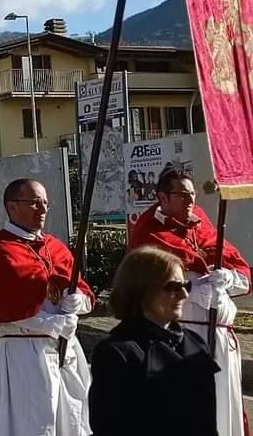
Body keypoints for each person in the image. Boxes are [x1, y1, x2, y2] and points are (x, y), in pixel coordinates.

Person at [0, 178, 94, 436]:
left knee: (73, 417)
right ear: (12, 207)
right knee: (34, 422)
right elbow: (1, 313)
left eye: (45, 203)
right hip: (26, 351)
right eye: (35, 203)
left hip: (66, 347)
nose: (43, 209)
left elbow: (86, 295)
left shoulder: (54, 246)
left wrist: (78, 300)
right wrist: (51, 323)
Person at [128, 170, 250, 436]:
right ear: (162, 197)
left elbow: (243, 273)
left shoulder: (203, 227)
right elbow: (147, 286)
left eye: (192, 195)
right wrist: (194, 288)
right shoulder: (149, 233)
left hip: (220, 336)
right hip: (183, 334)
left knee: (224, 406)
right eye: (182, 195)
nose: (190, 201)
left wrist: (228, 278)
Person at [89, 246, 218, 436]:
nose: (184, 295)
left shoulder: (195, 343)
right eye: (172, 287)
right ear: (142, 290)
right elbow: (110, 427)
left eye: (186, 286)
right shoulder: (117, 352)